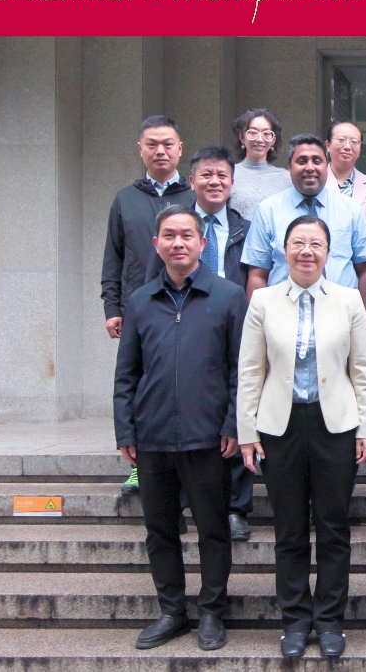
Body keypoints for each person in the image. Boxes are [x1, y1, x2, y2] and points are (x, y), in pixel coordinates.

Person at [238, 215, 366, 659]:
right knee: (289, 529)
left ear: (329, 253)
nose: (306, 251)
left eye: (316, 244)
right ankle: (295, 621)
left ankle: (331, 620)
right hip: (279, 428)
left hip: (335, 426)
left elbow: (363, 369)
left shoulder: (348, 300)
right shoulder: (263, 300)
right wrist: (246, 432)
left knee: (334, 527)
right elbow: (250, 370)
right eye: (298, 243)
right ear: (284, 250)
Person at [113, 204, 247, 652]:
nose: (178, 243)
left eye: (187, 235)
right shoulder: (140, 301)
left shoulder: (228, 296)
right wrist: (125, 430)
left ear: (202, 243)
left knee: (213, 529)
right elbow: (126, 373)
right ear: (156, 244)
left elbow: (241, 370)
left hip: (208, 436)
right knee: (160, 530)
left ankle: (212, 611)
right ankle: (172, 611)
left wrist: (233, 422)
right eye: (169, 235)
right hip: (152, 437)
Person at [145, 145, 255, 540]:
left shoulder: (246, 227)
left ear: (232, 182)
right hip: (184, 321)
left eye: (222, 175)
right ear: (191, 181)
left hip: (233, 320)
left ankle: (236, 507)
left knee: (235, 409)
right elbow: (152, 279)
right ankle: (175, 502)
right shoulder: (174, 228)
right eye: (206, 175)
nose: (215, 182)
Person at [102, 115, 194, 495]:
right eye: (152, 144)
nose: (160, 151)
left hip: (188, 303)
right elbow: (114, 257)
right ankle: (140, 465)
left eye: (168, 144)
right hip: (139, 308)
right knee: (140, 383)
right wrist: (112, 307)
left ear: (180, 149)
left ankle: (188, 466)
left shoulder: (194, 196)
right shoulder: (125, 199)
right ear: (140, 149)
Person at [242, 134, 366, 299]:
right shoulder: (267, 210)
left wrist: (363, 315)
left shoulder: (351, 209)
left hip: (339, 309)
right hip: (283, 308)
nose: (310, 167)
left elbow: (365, 271)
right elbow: (257, 274)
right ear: (290, 167)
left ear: (326, 166)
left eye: (317, 161)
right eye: (302, 161)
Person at [228, 108, 288, 220]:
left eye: (267, 133)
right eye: (253, 132)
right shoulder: (228, 174)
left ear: (273, 140)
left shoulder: (287, 179)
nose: (260, 139)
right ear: (241, 137)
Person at [325, 121, 366, 217]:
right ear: (328, 145)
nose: (347, 147)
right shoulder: (316, 180)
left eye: (354, 142)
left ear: (360, 149)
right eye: (341, 140)